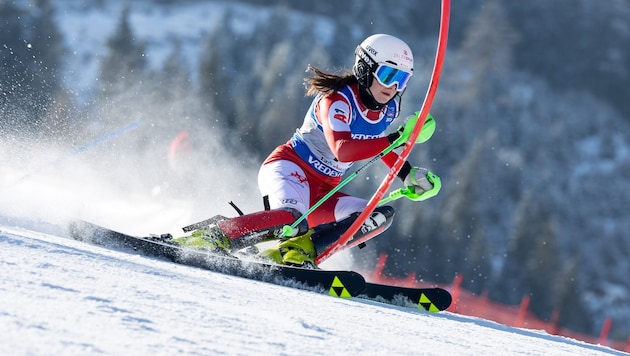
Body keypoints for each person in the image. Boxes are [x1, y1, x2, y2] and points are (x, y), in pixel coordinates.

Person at [174, 34, 441, 268]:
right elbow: (343, 150)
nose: (393, 87)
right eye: (388, 76)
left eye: (402, 80)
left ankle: (298, 251)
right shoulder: (336, 100)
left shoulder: (389, 108)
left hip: (326, 192)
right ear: (365, 69)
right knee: (291, 217)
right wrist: (398, 138)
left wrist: (407, 174)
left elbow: (376, 141)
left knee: (378, 215)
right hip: (290, 170)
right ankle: (216, 235)